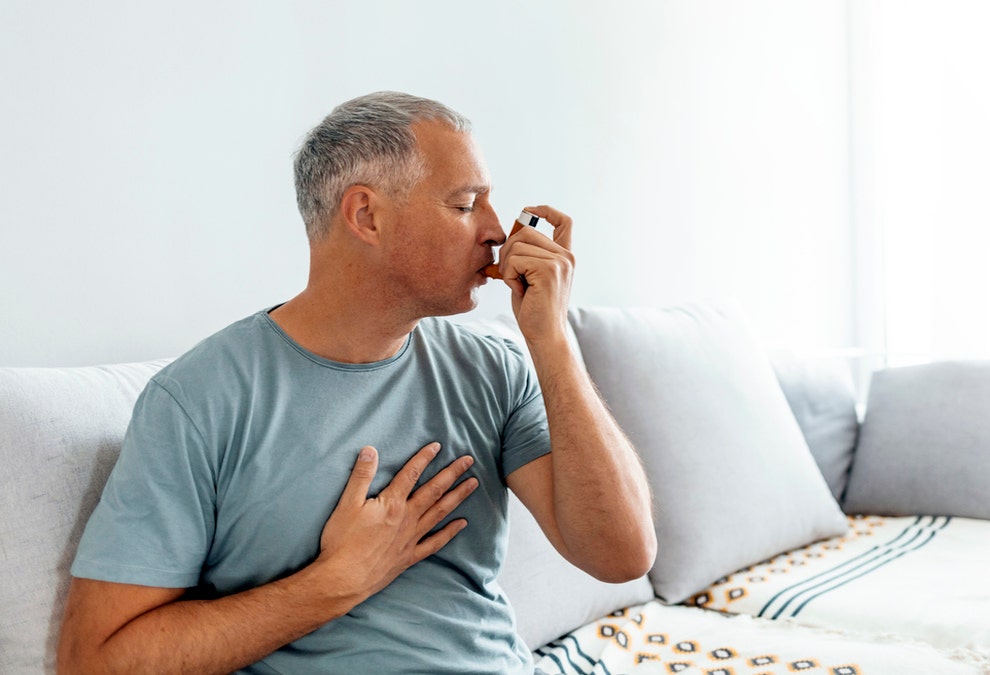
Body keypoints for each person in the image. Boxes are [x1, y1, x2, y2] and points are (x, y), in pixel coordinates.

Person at [56, 92, 656, 674]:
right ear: (365, 214)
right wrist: (335, 583)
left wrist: (551, 341)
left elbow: (623, 555)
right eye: (466, 203)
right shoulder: (198, 400)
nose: (498, 232)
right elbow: (96, 662)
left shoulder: (495, 368)